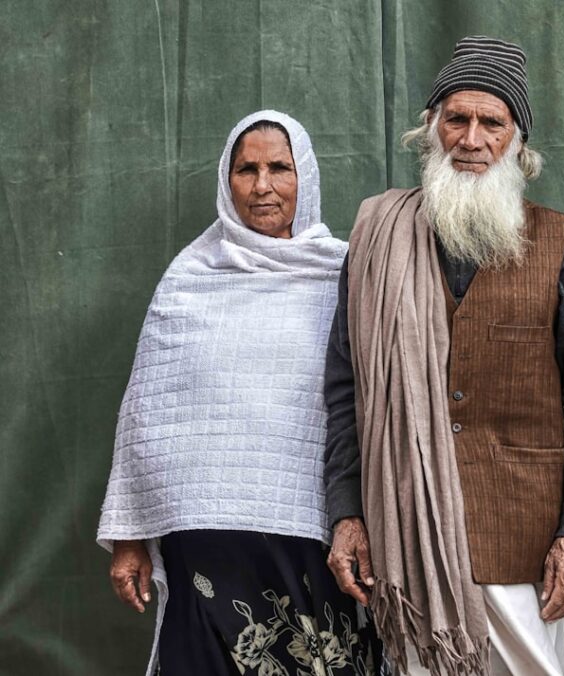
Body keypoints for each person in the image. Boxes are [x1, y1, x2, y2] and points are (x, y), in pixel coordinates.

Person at [323, 36, 564, 676]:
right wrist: (346, 514)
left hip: (524, 541)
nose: (472, 139)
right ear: (431, 128)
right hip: (407, 540)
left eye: (493, 123)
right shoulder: (379, 241)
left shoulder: (562, 243)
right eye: (457, 119)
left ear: (517, 141)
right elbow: (347, 391)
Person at [97, 111, 379, 676]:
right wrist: (129, 533)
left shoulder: (347, 274)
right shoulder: (189, 277)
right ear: (227, 182)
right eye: (247, 169)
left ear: (306, 178)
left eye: (279, 168)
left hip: (310, 531)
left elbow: (370, 405)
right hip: (204, 539)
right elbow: (147, 410)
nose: (262, 185)